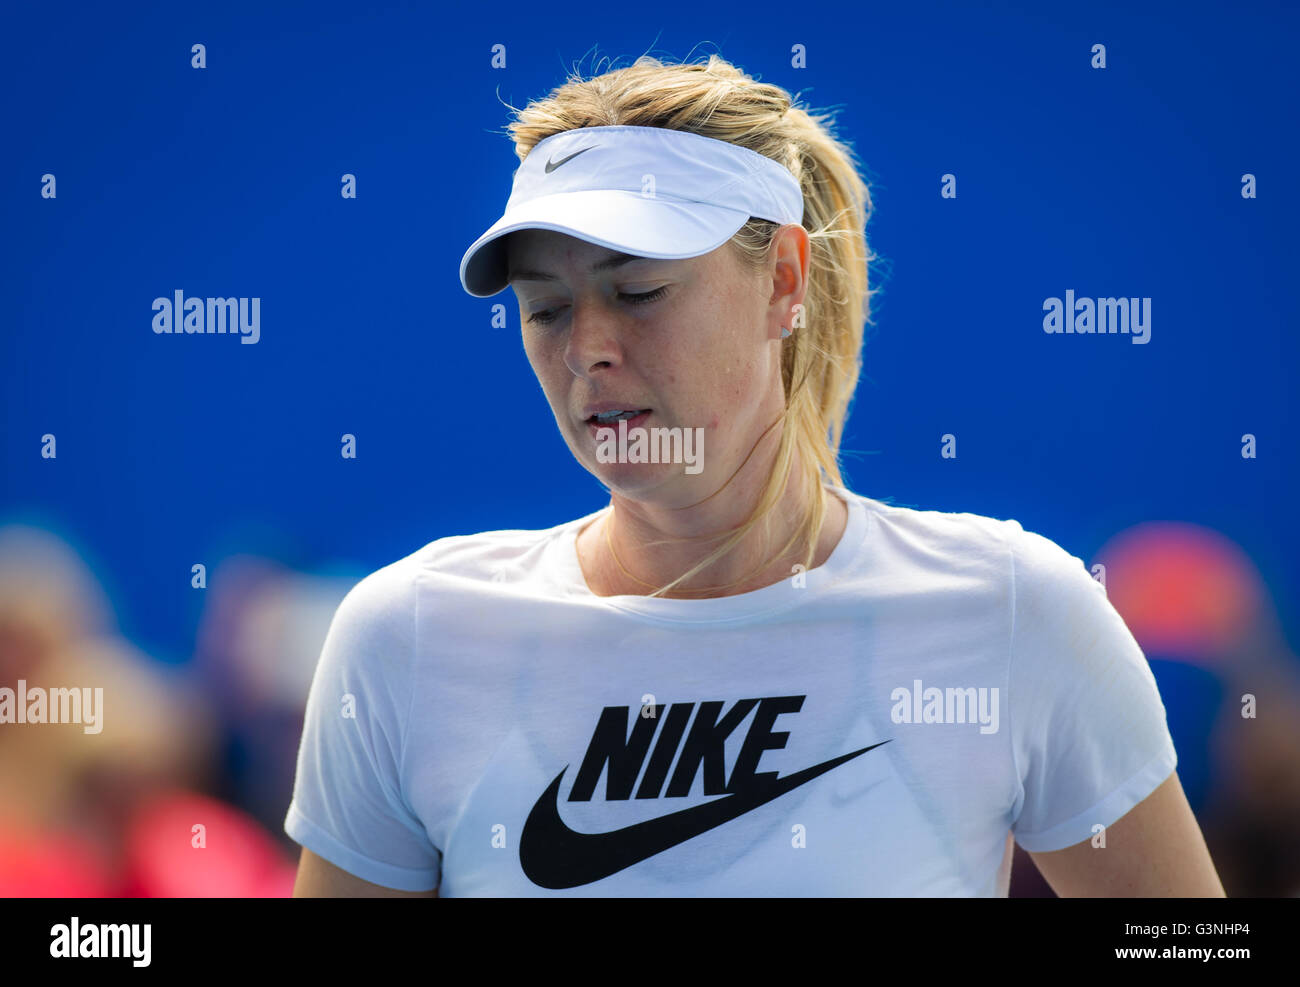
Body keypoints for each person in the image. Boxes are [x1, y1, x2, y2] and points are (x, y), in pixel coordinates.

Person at [285, 53, 1224, 897]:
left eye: (638, 291)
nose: (588, 350)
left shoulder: (1018, 612)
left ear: (782, 281)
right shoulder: (405, 638)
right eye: (545, 308)